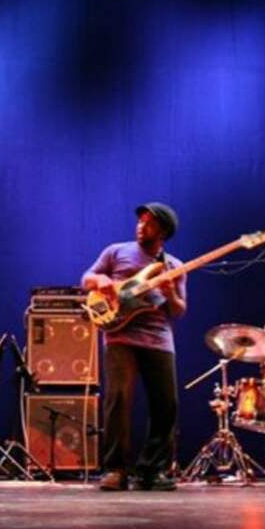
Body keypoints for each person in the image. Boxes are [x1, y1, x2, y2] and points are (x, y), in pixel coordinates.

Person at [81, 202, 186, 491]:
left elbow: (179, 310)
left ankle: (152, 470)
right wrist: (102, 280)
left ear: (163, 231)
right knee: (118, 399)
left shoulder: (175, 267)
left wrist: (170, 294)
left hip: (159, 338)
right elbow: (87, 279)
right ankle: (115, 469)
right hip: (120, 335)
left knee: (166, 405)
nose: (141, 226)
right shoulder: (116, 251)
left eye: (149, 223)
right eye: (140, 221)